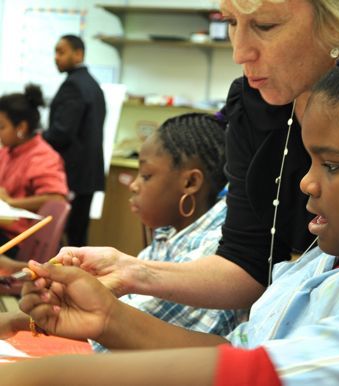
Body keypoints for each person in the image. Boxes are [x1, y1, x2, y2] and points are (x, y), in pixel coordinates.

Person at [4, 18, 339, 385]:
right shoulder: (327, 259)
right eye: (309, 163)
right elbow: (239, 351)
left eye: (332, 166)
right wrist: (109, 320)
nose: (306, 185)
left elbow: (254, 377)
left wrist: (30, 377)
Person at [51, 0, 339, 312]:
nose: (240, 51)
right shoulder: (255, 101)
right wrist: (131, 272)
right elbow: (248, 265)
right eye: (230, 22)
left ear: (337, 16)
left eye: (265, 25)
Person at [0, 113, 245, 345]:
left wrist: (17, 321)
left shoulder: (213, 250)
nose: (134, 186)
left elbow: (126, 326)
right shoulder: (168, 236)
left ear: (190, 182)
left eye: (146, 176)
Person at [42, 34, 106, 247]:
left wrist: (35, 139)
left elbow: (62, 132)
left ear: (78, 54)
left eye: (61, 52)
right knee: (78, 234)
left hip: (74, 175)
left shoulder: (73, 86)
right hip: (87, 173)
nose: (56, 57)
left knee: (69, 238)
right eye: (55, 52)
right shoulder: (92, 84)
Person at [0, 84, 68, 267]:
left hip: (19, 240)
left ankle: (13, 267)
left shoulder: (42, 156)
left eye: (1, 127)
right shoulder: (8, 151)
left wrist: (12, 203)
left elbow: (57, 198)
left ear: (21, 127)